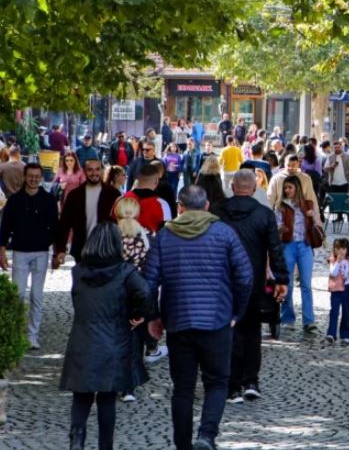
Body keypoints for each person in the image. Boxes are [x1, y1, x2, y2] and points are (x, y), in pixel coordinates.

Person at [144, 185, 253, 450]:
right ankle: (206, 435)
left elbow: (148, 282)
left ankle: (183, 445)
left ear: (180, 207)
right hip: (217, 320)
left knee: (182, 388)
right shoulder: (224, 233)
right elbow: (245, 276)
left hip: (179, 321)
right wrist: (236, 311)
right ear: (206, 206)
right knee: (217, 383)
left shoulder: (164, 237)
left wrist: (153, 316)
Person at [59, 223, 151, 450]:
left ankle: (77, 441)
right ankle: (105, 446)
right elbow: (145, 292)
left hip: (82, 338)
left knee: (81, 396)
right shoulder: (125, 272)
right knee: (107, 397)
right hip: (113, 339)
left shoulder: (78, 271)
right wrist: (137, 315)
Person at [213, 170, 288, 403]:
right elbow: (275, 249)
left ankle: (232, 384)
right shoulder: (264, 214)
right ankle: (251, 381)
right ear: (254, 189)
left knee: (230, 332)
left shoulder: (217, 212)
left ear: (232, 187)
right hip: (254, 282)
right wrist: (281, 279)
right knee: (252, 332)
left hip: (224, 282)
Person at [0, 163, 59, 349]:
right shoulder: (14, 200)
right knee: (18, 294)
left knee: (36, 295)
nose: (34, 179)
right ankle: (17, 333)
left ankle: (32, 335)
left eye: (37, 176)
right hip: (20, 252)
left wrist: (56, 252)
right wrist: (2, 250)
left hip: (41, 252)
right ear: (25, 177)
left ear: (41, 178)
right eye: (30, 176)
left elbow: (55, 227)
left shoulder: (48, 200)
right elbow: (5, 227)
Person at [115, 196, 166, 384]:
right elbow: (155, 270)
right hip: (139, 294)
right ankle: (130, 383)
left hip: (115, 294)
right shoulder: (148, 236)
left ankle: (119, 379)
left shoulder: (110, 235)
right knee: (135, 339)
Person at [275, 175, 323, 333]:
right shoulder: (281, 206)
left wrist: (313, 217)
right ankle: (287, 317)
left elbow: (317, 224)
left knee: (306, 284)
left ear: (297, 189)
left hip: (304, 245)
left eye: (290, 187)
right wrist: (280, 229)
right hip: (288, 245)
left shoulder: (307, 204)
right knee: (287, 283)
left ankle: (309, 320)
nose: (287, 190)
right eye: (285, 188)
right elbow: (276, 227)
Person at [55, 158, 122, 265]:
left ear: (102, 171)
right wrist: (60, 249)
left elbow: (120, 222)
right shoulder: (75, 195)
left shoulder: (113, 194)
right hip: (82, 249)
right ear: (84, 171)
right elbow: (64, 223)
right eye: (90, 169)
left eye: (97, 169)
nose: (94, 173)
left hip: (106, 250)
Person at [326, 238, 349, 344]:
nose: (341, 251)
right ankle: (331, 334)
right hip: (336, 290)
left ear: (347, 249)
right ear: (335, 249)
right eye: (338, 249)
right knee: (334, 312)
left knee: (346, 312)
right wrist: (338, 261)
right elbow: (333, 273)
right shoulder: (333, 260)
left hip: (347, 289)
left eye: (343, 248)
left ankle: (345, 334)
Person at [123, 164, 173, 232]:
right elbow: (166, 232)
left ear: (137, 180)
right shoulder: (162, 205)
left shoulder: (122, 199)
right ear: (157, 181)